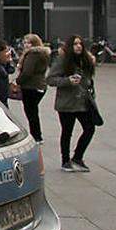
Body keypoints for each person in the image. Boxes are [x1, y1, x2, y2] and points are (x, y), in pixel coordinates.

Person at [46, 34, 97, 173]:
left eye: (80, 43)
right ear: (70, 46)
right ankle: (65, 161)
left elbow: (88, 80)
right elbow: (50, 79)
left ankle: (78, 157)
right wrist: (67, 81)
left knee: (90, 128)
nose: (78, 46)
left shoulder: (85, 60)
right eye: (75, 44)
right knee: (67, 132)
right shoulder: (62, 61)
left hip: (82, 102)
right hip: (67, 103)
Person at [15, 33, 51, 142]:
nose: (26, 45)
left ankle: (36, 136)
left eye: (28, 43)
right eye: (25, 42)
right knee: (33, 111)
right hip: (40, 85)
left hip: (31, 86)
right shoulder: (42, 53)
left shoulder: (33, 54)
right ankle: (37, 135)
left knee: (31, 112)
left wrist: (18, 81)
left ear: (34, 44)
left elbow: (27, 72)